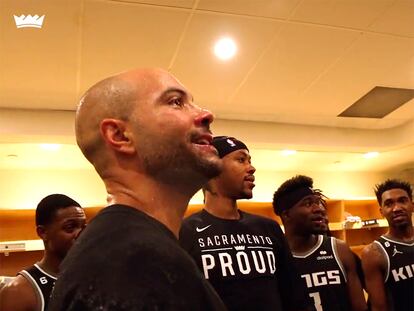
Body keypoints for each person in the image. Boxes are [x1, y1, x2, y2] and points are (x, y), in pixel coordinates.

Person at [48, 68, 226, 310]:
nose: (206, 114)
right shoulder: (131, 262)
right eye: (176, 102)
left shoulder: (138, 250)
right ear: (120, 136)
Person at [180, 136, 313, 311]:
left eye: (249, 161)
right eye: (241, 160)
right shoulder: (184, 232)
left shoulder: (268, 228)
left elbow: (295, 296)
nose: (251, 168)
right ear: (213, 167)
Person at [273, 175, 367, 311]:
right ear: (287, 215)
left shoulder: (339, 249)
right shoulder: (274, 258)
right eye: (308, 203)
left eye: (318, 202)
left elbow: (360, 307)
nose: (319, 209)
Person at [0, 194, 86, 311]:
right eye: (70, 227)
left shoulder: (91, 279)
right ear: (43, 232)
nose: (80, 234)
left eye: (83, 228)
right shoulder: (19, 291)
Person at [361, 179, 414, 311]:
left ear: (412, 205)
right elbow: (379, 307)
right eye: (389, 204)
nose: (396, 208)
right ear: (381, 211)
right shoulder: (374, 253)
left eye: (402, 200)